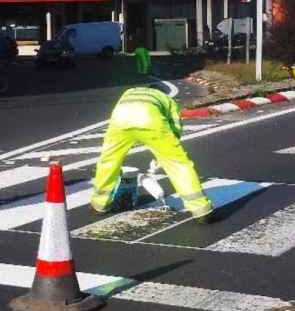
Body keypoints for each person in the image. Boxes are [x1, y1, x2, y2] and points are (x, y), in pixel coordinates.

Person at [90, 84, 216, 222]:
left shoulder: (130, 92)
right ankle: (201, 210)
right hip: (151, 121)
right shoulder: (165, 99)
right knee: (178, 165)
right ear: (161, 91)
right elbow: (175, 127)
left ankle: (99, 205)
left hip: (120, 121)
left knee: (108, 161)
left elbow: (117, 111)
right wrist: (167, 151)